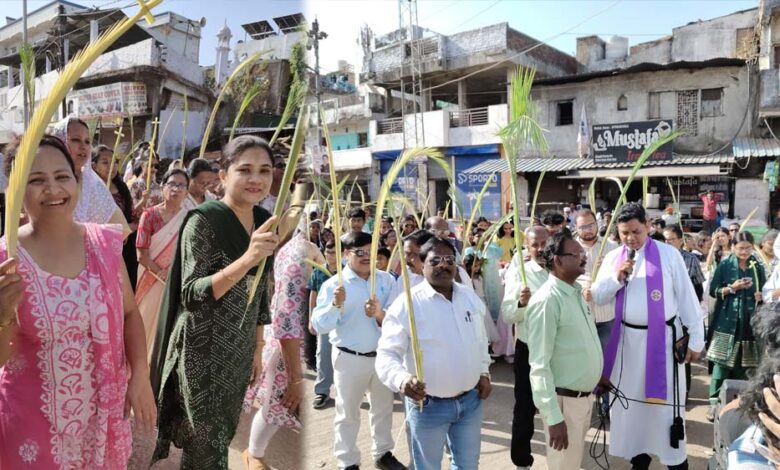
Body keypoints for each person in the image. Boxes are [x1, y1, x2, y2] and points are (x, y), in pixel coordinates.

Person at [0, 135, 156, 467]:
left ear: (77, 181)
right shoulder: (6, 259)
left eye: (62, 176)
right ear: (15, 192)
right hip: (33, 430)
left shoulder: (103, 244)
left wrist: (140, 375)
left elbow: (129, 313)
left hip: (100, 421)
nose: (53, 189)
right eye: (36, 180)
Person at [151, 136, 280, 469]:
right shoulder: (204, 220)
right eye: (245, 170)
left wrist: (257, 346)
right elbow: (192, 294)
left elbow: (260, 291)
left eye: (264, 170)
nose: (256, 179)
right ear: (223, 175)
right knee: (206, 443)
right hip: (202, 348)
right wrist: (248, 258)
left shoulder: (264, 219)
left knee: (220, 434)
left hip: (239, 349)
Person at [591, 202, 704, 469]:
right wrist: (616, 278)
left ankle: (674, 461)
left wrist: (696, 340)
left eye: (636, 231)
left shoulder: (669, 255)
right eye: (624, 233)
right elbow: (598, 296)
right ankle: (638, 460)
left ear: (648, 226)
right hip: (626, 344)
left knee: (664, 410)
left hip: (662, 343)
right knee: (632, 409)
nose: (631, 238)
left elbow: (687, 298)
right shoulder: (613, 257)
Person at [376, 237, 492, 470]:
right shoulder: (407, 304)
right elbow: (387, 355)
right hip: (428, 407)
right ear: (421, 264)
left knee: (468, 465)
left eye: (449, 259)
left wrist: (483, 371)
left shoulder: (467, 296)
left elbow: (479, 340)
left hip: (470, 402)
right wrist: (402, 380)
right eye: (435, 260)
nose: (443, 265)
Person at [311, 231, 406, 470]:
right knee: (347, 412)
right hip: (349, 358)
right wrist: (335, 305)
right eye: (359, 252)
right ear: (346, 254)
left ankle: (383, 453)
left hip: (383, 357)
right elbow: (319, 325)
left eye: (370, 251)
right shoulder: (334, 285)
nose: (366, 257)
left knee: (383, 410)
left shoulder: (386, 280)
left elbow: (398, 319)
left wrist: (380, 314)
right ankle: (347, 461)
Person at [244, 226, 323, 468]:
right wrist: (295, 378)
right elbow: (286, 318)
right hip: (290, 346)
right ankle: (254, 454)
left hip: (299, 342)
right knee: (279, 406)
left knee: (279, 406)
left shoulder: (299, 247)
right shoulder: (299, 252)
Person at [526, 230, 603, 470]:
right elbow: (539, 365)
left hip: (582, 400)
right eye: (576, 253)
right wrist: (553, 418)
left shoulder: (575, 293)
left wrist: (597, 374)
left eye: (582, 253)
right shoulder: (547, 301)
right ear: (558, 261)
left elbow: (579, 344)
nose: (584, 257)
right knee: (563, 466)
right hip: (563, 405)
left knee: (571, 463)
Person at [501, 225, 550, 470]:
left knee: (558, 408)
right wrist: (521, 303)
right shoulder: (520, 273)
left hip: (558, 350)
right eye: (535, 245)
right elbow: (508, 314)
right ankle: (522, 461)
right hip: (530, 349)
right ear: (527, 248)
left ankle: (561, 460)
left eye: (544, 244)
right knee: (525, 407)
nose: (540, 249)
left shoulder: (562, 269)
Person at [707, 231, 766, 421]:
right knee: (721, 364)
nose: (744, 252)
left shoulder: (756, 266)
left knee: (746, 363)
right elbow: (714, 291)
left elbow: (764, 290)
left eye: (748, 248)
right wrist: (733, 287)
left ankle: (741, 403)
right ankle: (714, 402)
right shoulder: (725, 265)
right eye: (740, 248)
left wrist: (760, 296)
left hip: (750, 321)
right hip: (727, 321)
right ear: (732, 247)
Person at [135, 168, 190, 359]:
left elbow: (189, 254)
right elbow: (141, 255)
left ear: (187, 191)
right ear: (162, 187)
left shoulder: (189, 219)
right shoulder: (149, 216)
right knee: (144, 322)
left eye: (181, 185)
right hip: (150, 277)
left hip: (175, 280)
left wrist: (172, 275)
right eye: (172, 184)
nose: (176, 189)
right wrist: (161, 273)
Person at [49, 115, 130, 234]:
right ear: (60, 141)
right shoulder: (47, 182)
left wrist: (91, 238)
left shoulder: (94, 184)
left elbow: (119, 229)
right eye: (76, 139)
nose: (83, 146)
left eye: (87, 141)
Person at [574, 209, 619, 414]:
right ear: (576, 228)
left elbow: (621, 277)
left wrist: (605, 271)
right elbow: (568, 275)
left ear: (597, 224)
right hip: (581, 315)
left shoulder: (612, 247)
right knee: (584, 362)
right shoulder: (571, 248)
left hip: (606, 314)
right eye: (583, 227)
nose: (588, 230)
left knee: (606, 361)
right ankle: (582, 404)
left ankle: (606, 405)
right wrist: (585, 287)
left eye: (591, 225)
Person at [92, 145, 139, 288]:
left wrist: (129, 226)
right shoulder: (91, 190)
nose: (111, 166)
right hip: (100, 247)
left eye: (114, 162)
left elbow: (131, 216)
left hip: (124, 247)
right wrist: (119, 230)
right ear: (94, 166)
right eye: (105, 162)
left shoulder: (122, 188)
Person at [311, 240, 338, 409]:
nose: (330, 256)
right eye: (328, 252)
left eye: (334, 252)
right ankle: (322, 391)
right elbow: (312, 295)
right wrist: (311, 319)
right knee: (323, 354)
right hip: (324, 319)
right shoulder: (318, 272)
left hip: (342, 319)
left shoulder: (346, 271)